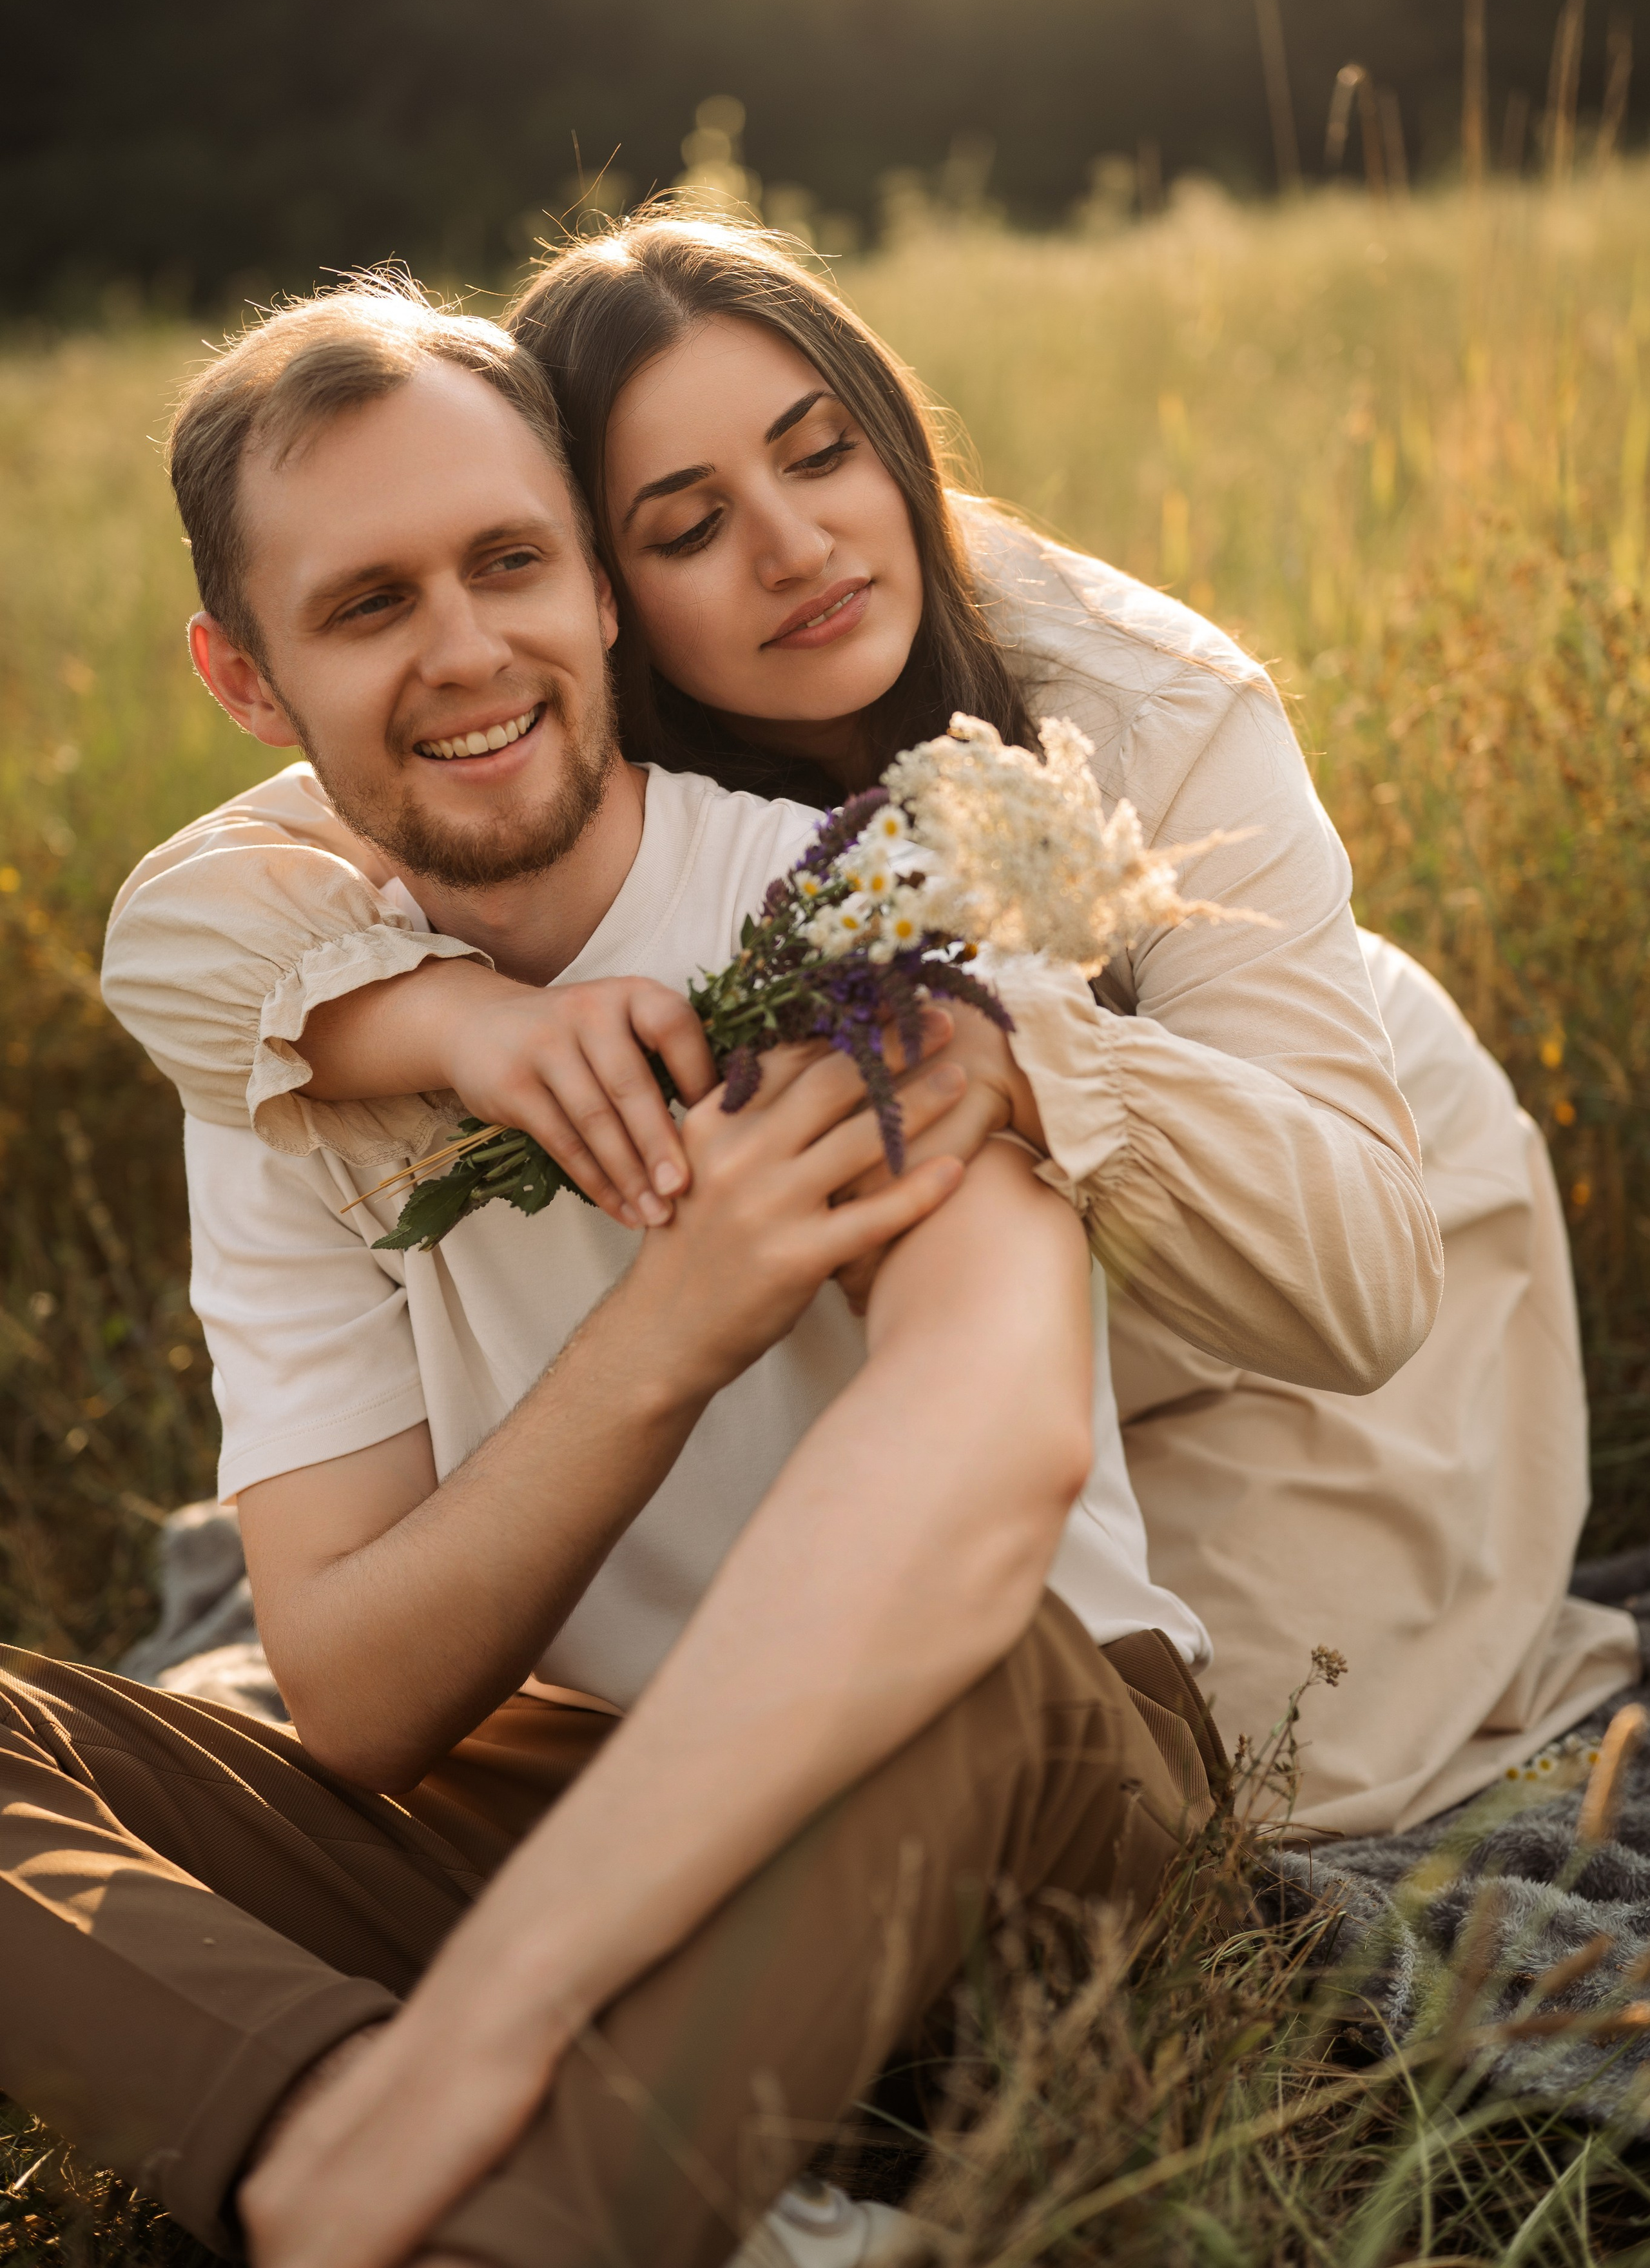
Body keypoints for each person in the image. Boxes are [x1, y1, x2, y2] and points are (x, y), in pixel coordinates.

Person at [104, 214, 1638, 1833]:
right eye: (687, 525)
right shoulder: (525, 696)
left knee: (1201, 1788)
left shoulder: (1148, 703)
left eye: (823, 452)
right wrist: (444, 1015)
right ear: (601, 578)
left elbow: (1361, 1289)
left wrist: (1029, 1050)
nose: (796, 548)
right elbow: (184, 923)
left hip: (1298, 1244)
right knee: (809, 1722)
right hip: (970, 1333)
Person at [5, 282, 1225, 2268]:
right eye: (368, 604)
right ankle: (336, 2133)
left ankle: (494, 2194)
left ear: (595, 588)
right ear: (246, 683)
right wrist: (669, 1330)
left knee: (988, 1674)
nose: (466, 649)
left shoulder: (858, 906)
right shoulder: (291, 1041)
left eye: (509, 563)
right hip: (594, 1791)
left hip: (1020, 1778)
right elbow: (364, 1698)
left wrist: (479, 2032)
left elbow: (989, 1460)